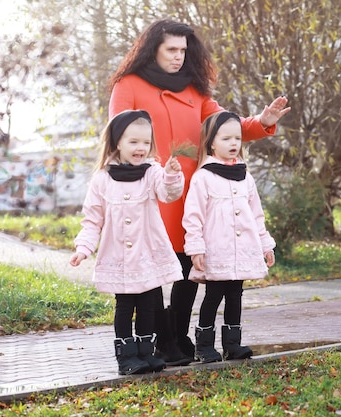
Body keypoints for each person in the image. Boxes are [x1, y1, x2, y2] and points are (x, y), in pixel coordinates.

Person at [108, 18, 289, 365]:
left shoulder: (195, 89)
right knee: (154, 271)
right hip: (152, 191)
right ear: (153, 50)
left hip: (194, 192)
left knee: (189, 268)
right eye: (171, 50)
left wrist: (263, 121)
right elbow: (121, 135)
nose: (178, 57)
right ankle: (162, 342)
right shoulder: (127, 84)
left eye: (183, 51)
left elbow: (225, 127)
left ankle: (176, 337)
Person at [69, 110, 185, 375]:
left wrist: (171, 175)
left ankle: (146, 353)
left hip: (147, 255)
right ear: (117, 142)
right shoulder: (102, 180)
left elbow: (169, 194)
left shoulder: (153, 172)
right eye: (133, 142)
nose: (140, 148)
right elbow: (92, 220)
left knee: (147, 305)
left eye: (145, 142)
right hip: (118, 258)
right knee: (125, 306)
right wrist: (83, 248)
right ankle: (126, 358)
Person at [182, 111, 276, 363]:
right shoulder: (204, 177)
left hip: (243, 250)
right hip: (216, 251)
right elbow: (193, 217)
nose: (233, 144)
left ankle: (233, 344)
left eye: (237, 138)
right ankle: (204, 346)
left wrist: (266, 245)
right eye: (226, 139)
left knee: (235, 295)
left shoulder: (246, 176)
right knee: (213, 296)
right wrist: (196, 249)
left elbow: (257, 215)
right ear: (212, 142)